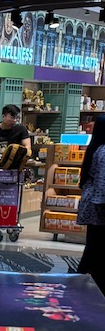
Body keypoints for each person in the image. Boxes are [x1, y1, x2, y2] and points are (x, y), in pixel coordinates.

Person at [77, 125, 105, 295]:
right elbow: (103, 182)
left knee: (94, 245)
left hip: (94, 203)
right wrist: (101, 203)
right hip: (99, 205)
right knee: (97, 245)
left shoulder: (96, 148)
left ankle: (83, 278)